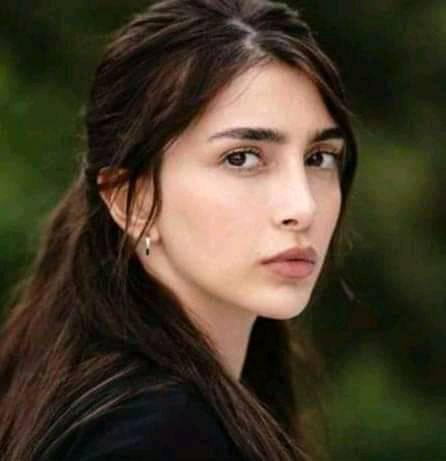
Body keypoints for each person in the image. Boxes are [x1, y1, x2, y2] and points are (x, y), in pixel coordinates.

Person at [0, 0, 358, 460]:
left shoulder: (141, 401)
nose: (302, 206)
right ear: (131, 200)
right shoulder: (152, 435)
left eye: (319, 158)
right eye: (241, 158)